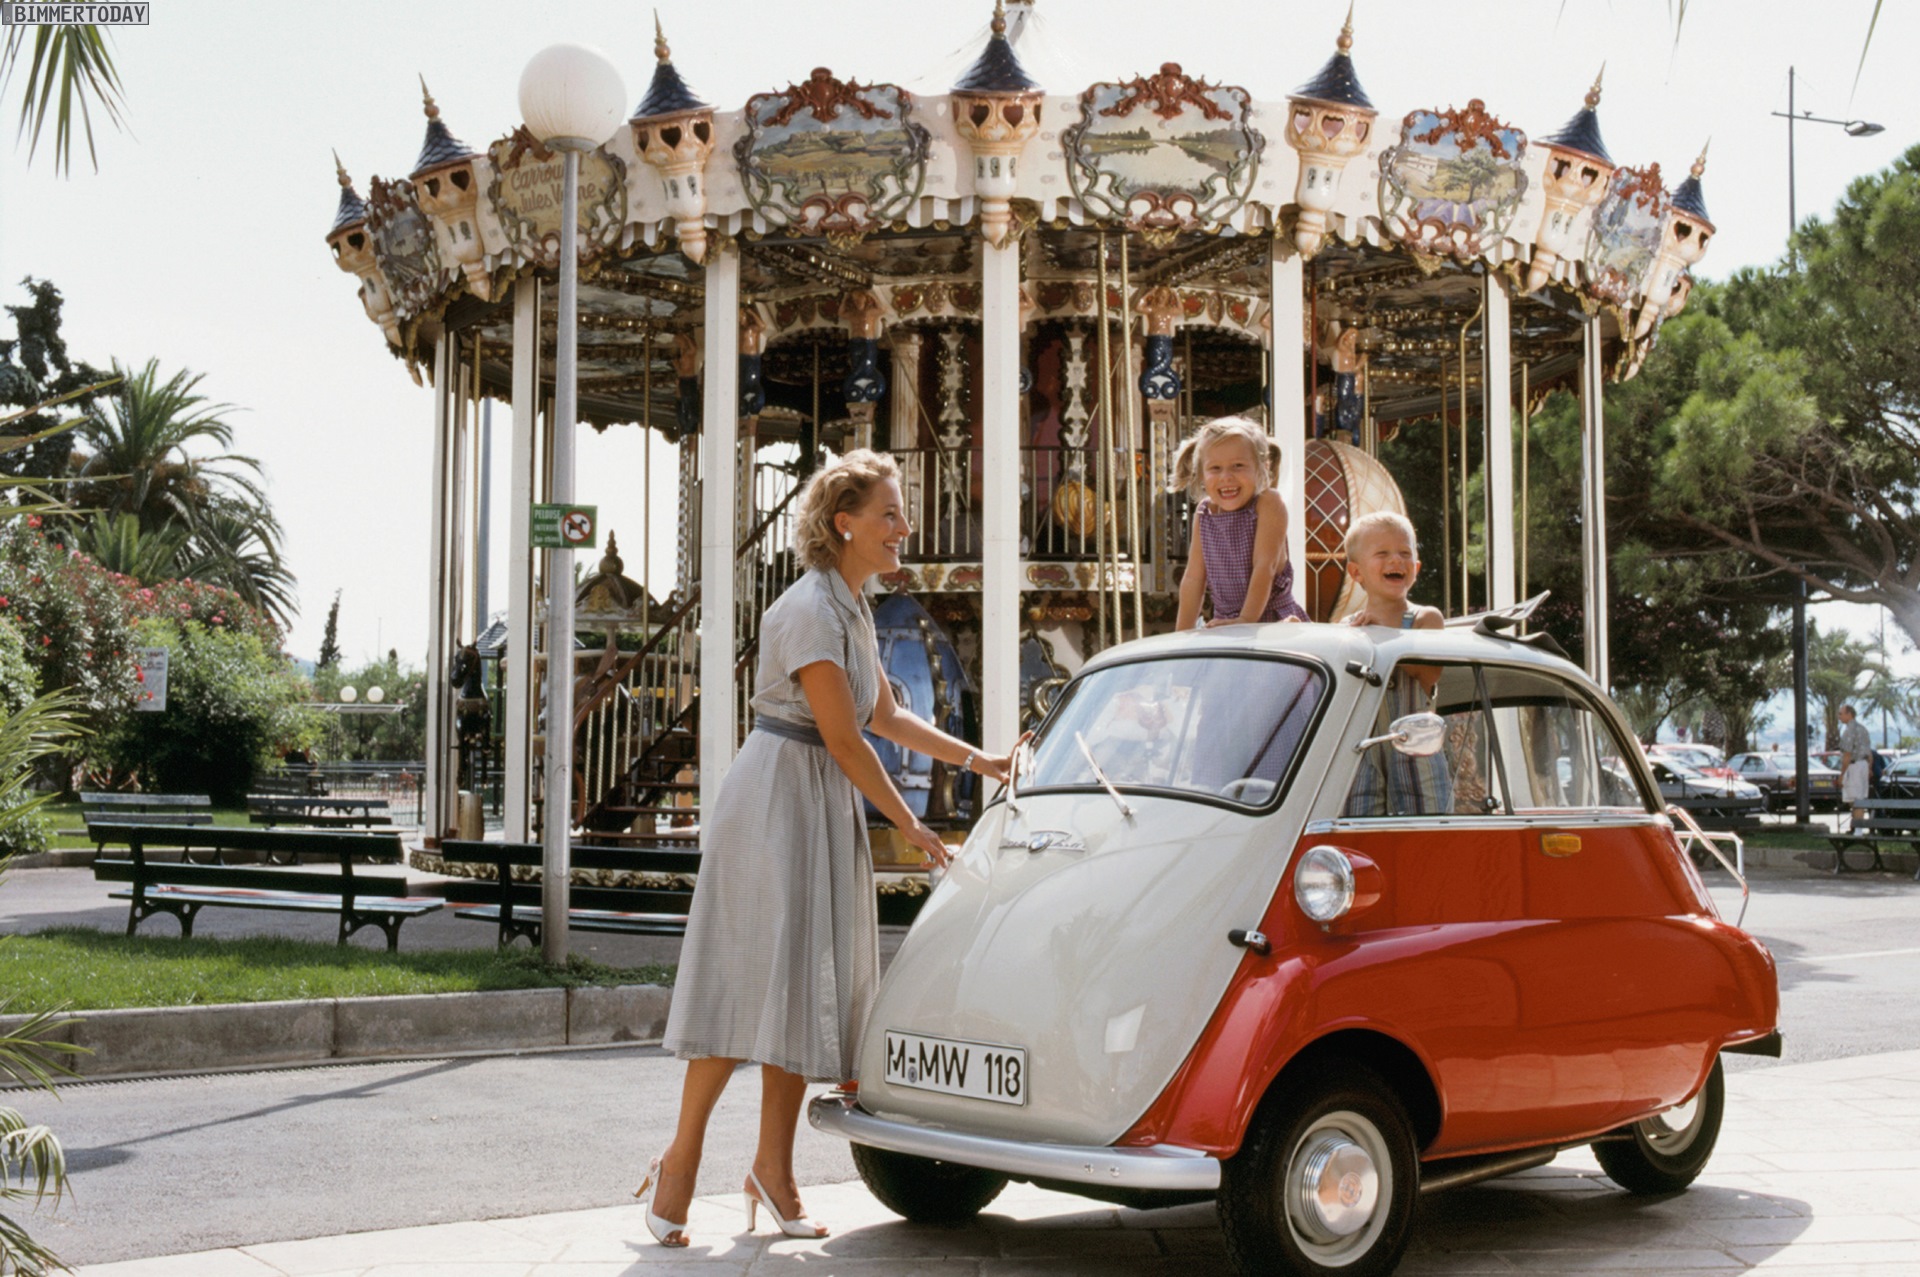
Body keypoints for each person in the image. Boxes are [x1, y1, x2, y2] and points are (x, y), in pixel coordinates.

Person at [638, 450, 1018, 1248]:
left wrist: (977, 759)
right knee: (743, 978)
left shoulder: (853, 605)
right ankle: (682, 1158)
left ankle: (772, 1170)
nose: (903, 529)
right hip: (779, 793)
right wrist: (910, 825)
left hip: (817, 795)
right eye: (890, 514)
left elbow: (885, 717)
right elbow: (845, 739)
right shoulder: (811, 607)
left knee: (799, 986)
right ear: (844, 521)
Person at [1340, 511, 1451, 817]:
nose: (1395, 561)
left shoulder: (1424, 618)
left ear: (1416, 568)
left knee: (1423, 826)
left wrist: (1385, 634)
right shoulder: (1349, 626)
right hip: (1365, 748)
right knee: (1361, 823)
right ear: (1357, 572)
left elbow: (1428, 673)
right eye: (1382, 554)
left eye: (1404, 553)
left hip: (1418, 749)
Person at [1173, 416, 1309, 630]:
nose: (1226, 476)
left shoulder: (1268, 504)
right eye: (1215, 468)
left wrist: (1245, 621)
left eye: (1238, 466)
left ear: (1262, 467)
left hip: (1270, 621)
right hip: (1227, 625)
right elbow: (1193, 578)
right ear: (1201, 474)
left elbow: (1265, 566)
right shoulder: (1205, 513)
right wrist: (1181, 632)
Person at [1838, 703, 1873, 829]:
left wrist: (1842, 774)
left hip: (1854, 766)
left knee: (1855, 800)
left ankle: (1857, 830)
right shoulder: (1863, 729)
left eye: (1841, 714)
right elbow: (1869, 753)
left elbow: (1847, 754)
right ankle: (1856, 827)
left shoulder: (1849, 731)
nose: (1839, 717)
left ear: (1849, 714)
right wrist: (1869, 768)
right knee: (1860, 798)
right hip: (1863, 765)